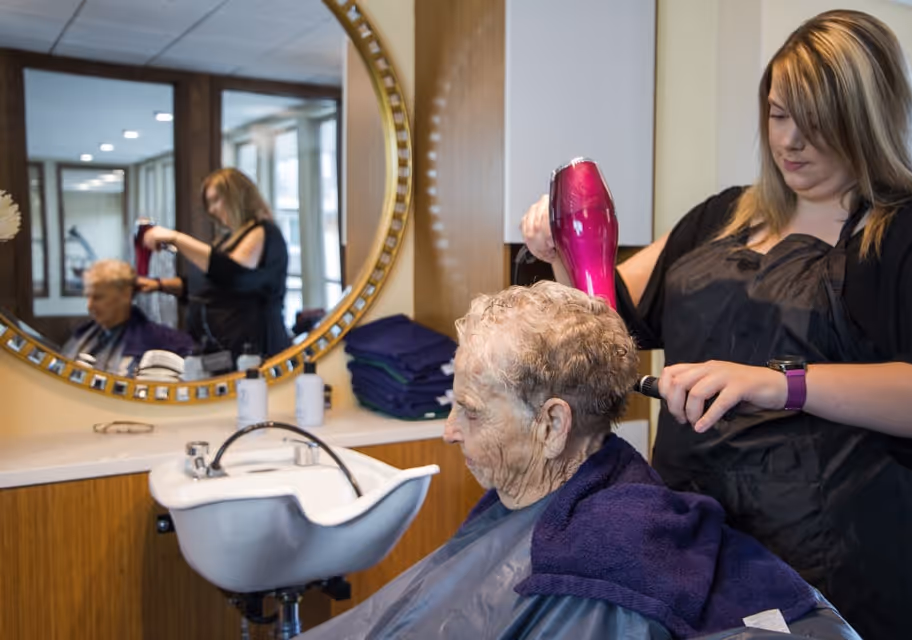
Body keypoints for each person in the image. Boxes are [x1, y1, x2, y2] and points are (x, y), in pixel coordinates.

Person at [521, 10, 912, 640]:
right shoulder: (722, 217)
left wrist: (777, 382)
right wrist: (564, 254)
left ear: (871, 117)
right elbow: (608, 327)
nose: (790, 142)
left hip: (841, 569)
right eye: (779, 115)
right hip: (695, 545)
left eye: (816, 122)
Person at [300, 282, 860, 640]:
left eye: (470, 412)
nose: (449, 432)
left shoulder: (606, 559)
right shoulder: (571, 496)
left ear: (552, 426)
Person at [138, 168, 291, 362]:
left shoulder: (263, 232)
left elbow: (232, 273)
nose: (212, 210)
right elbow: (204, 286)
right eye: (209, 203)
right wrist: (158, 285)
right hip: (221, 354)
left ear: (237, 196)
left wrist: (175, 238)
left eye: (216, 200)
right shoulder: (226, 239)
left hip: (257, 353)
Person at [62, 259, 193, 376]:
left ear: (126, 295)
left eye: (98, 297)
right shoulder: (80, 336)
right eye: (88, 296)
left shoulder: (164, 342)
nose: (89, 306)